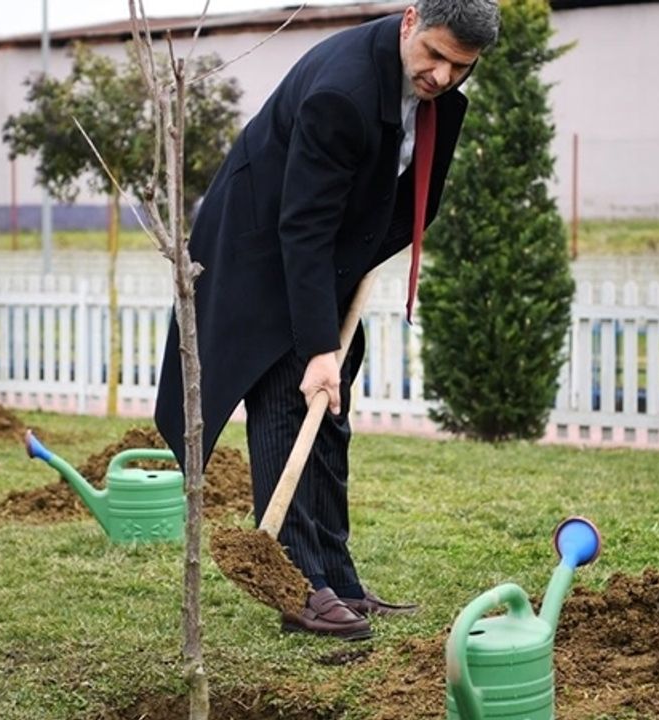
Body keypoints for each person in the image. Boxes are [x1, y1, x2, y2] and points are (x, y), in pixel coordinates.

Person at [156, 0, 500, 640]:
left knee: (328, 415)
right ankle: (299, 586)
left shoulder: (434, 95)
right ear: (410, 21)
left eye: (462, 67)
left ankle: (336, 578)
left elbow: (398, 195)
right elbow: (303, 224)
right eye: (436, 56)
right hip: (265, 254)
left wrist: (350, 290)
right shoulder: (341, 92)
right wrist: (317, 345)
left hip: (325, 258)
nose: (444, 77)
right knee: (293, 396)